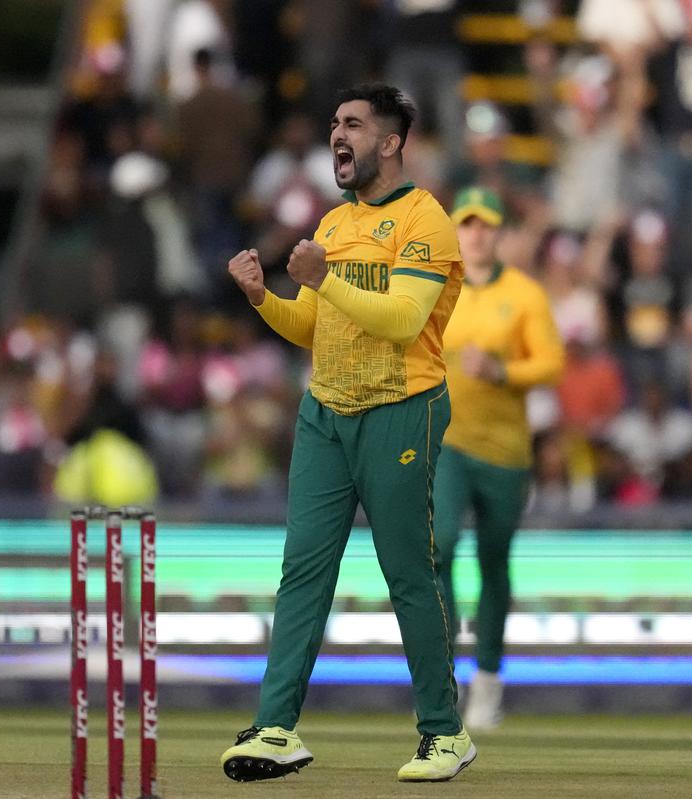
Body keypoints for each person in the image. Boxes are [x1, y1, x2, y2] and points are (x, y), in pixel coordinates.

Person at [222, 83, 474, 782]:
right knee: (303, 570)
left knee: (408, 575)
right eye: (335, 123)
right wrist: (264, 298)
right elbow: (313, 327)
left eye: (354, 124)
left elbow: (400, 320)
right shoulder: (334, 224)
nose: (339, 134)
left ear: (390, 143)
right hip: (326, 411)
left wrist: (324, 280)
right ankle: (275, 727)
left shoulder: (427, 221)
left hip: (402, 406)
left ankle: (445, 732)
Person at [432, 187, 565, 731]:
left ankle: (487, 681)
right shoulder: (439, 290)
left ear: (499, 233)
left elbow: (552, 364)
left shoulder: (524, 294)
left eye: (486, 225)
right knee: (438, 549)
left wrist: (503, 372)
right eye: (467, 224)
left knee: (494, 562)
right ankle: (441, 676)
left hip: (506, 451)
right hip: (447, 443)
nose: (477, 234)